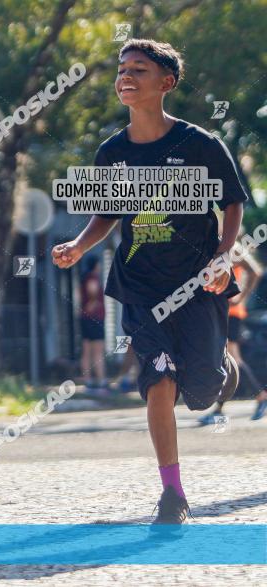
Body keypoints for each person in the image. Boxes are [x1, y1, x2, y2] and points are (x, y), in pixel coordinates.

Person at [52, 39, 247, 525]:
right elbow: (107, 214)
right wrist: (79, 245)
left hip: (197, 283)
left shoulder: (200, 144)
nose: (126, 76)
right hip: (140, 286)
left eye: (139, 69)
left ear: (167, 82)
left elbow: (232, 203)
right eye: (122, 69)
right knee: (158, 379)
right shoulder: (111, 151)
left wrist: (223, 258)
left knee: (200, 391)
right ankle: (172, 493)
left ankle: (219, 369)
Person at [198, 241, 267, 423]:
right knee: (226, 360)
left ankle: (261, 397)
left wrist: (240, 298)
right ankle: (219, 409)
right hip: (219, 312)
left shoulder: (231, 246)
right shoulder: (210, 243)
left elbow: (255, 271)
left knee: (232, 359)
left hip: (231, 313)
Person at [79, 256, 107, 393]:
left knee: (86, 351)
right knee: (98, 351)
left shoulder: (83, 278)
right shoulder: (92, 278)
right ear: (96, 265)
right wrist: (93, 303)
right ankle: (101, 381)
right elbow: (93, 291)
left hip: (85, 319)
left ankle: (88, 381)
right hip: (94, 319)